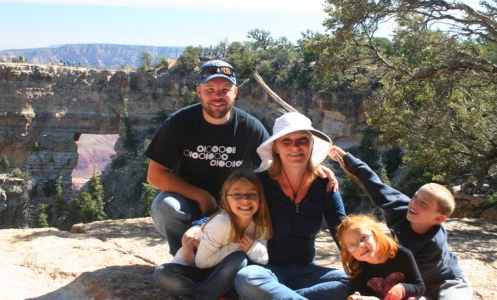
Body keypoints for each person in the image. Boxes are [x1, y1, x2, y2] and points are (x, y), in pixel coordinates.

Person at [145, 60, 270, 257]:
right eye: (210, 89)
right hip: (188, 202)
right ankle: (186, 257)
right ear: (199, 91)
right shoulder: (180, 123)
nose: (217, 96)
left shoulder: (250, 128)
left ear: (235, 92)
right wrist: (203, 197)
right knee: (165, 207)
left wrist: (313, 168)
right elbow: (155, 175)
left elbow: (275, 167)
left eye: (224, 90)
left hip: (233, 204)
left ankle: (232, 256)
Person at [329, 145, 473, 300]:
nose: (414, 203)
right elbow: (374, 185)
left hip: (445, 280)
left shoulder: (433, 245)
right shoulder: (401, 208)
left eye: (424, 204)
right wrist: (345, 158)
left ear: (439, 219)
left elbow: (412, 281)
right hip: (412, 282)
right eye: (415, 196)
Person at [234, 112, 350, 300]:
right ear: (276, 148)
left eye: (302, 140)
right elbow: (228, 210)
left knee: (350, 281)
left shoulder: (324, 185)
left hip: (307, 272)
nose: (295, 147)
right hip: (266, 271)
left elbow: (343, 230)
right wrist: (199, 228)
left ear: (311, 144)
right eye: (286, 141)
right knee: (246, 278)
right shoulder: (258, 183)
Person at [153, 169, 273, 300]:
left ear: (260, 199)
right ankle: (213, 294)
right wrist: (236, 247)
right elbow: (201, 262)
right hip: (198, 270)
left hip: (227, 273)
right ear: (226, 200)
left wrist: (252, 248)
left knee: (239, 259)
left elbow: (263, 259)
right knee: (162, 274)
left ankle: (201, 295)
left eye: (251, 195)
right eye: (237, 195)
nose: (245, 200)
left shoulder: (262, 224)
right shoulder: (222, 223)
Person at [337, 214, 425, 300]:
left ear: (377, 234)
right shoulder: (358, 266)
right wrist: (357, 296)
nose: (360, 246)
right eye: (352, 246)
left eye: (363, 238)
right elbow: (354, 291)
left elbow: (420, 287)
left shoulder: (403, 255)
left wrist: (403, 288)